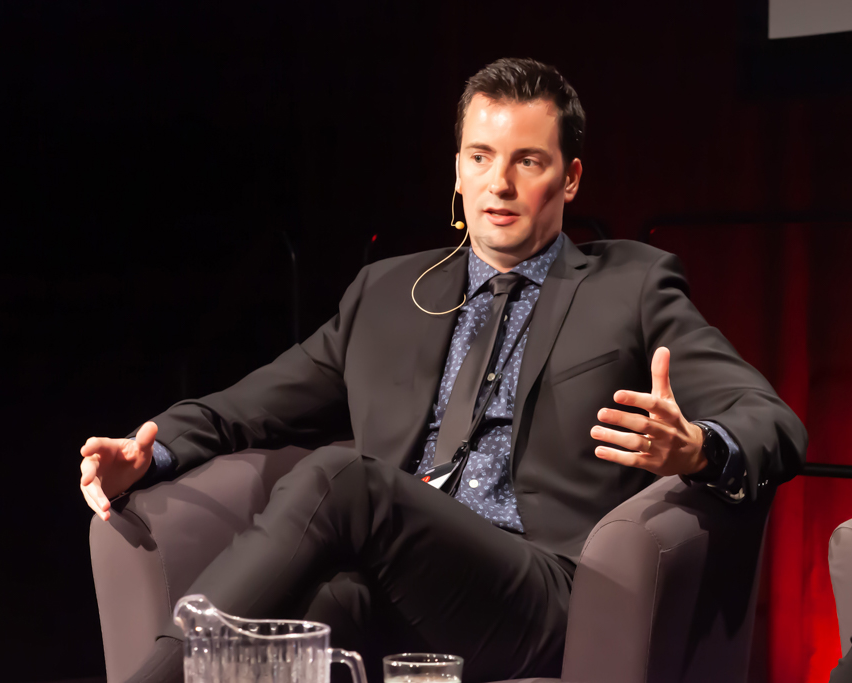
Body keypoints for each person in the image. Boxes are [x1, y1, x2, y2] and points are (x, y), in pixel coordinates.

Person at [78, 58, 807, 682]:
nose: (500, 184)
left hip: (546, 592)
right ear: (457, 169)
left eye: (529, 161)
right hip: (410, 581)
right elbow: (251, 405)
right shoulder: (387, 292)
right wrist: (151, 450)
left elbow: (772, 421)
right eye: (481, 157)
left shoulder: (633, 286)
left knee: (345, 479)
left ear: (571, 178)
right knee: (314, 620)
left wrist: (700, 448)